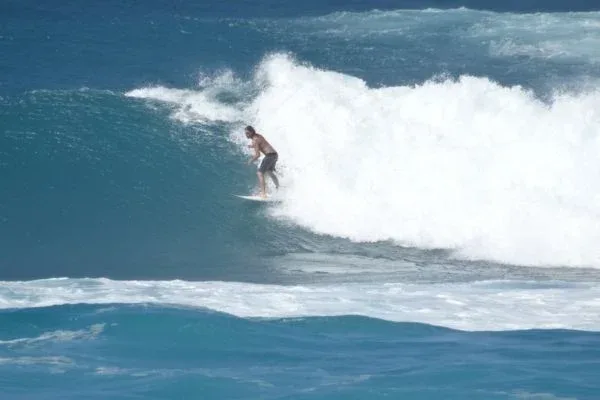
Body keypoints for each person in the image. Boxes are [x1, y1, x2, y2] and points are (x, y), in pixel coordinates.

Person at [245, 125, 279, 198]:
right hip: (275, 155)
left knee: (259, 173)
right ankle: (278, 187)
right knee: (269, 171)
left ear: (251, 132)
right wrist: (252, 146)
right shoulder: (258, 136)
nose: (246, 135)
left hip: (269, 156)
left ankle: (263, 194)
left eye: (247, 133)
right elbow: (261, 144)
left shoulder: (255, 140)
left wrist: (250, 160)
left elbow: (258, 155)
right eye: (245, 133)